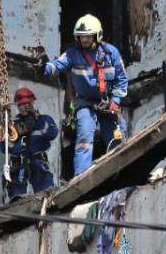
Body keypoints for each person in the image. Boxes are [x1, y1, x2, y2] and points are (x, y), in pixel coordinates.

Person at [44, 14, 128, 176]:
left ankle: (119, 173)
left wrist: (116, 101)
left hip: (108, 102)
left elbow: (122, 79)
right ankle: (81, 177)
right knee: (83, 140)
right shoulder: (72, 54)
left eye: (88, 36)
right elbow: (57, 65)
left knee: (116, 139)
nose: (84, 40)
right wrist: (44, 67)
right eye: (81, 37)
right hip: (85, 103)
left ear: (97, 35)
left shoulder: (112, 53)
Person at [4, 87, 58, 198]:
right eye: (20, 105)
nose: (24, 107)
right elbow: (3, 147)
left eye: (27, 104)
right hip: (18, 164)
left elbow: (52, 134)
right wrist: (15, 135)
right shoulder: (14, 125)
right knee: (17, 198)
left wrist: (37, 120)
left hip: (37, 162)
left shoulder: (44, 120)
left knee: (46, 195)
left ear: (32, 102)